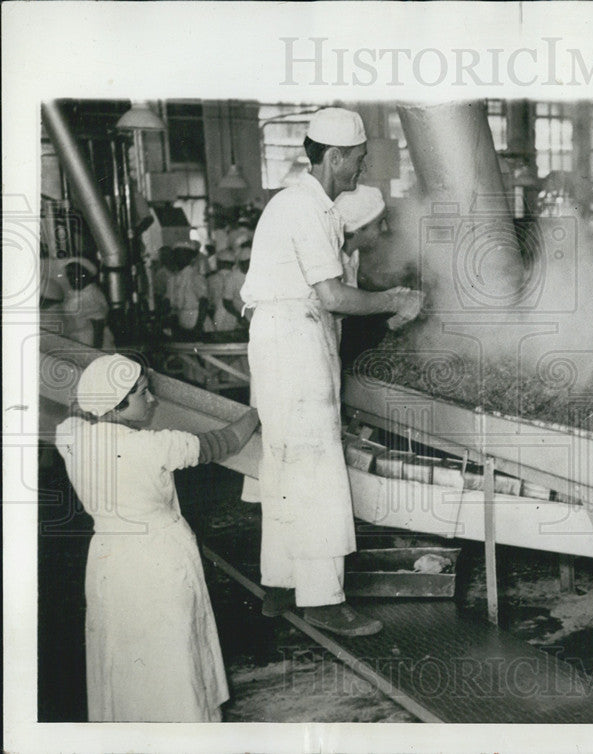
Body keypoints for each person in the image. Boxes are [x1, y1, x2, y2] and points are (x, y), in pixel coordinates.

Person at [240, 107, 422, 637]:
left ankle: (280, 584)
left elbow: (331, 301)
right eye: (358, 160)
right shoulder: (304, 209)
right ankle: (323, 599)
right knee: (316, 469)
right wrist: (395, 299)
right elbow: (334, 296)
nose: (360, 171)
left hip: (285, 338)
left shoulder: (306, 206)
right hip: (293, 342)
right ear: (335, 156)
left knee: (286, 465)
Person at [54, 354, 259, 721]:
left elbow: (79, 414)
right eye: (144, 394)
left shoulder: (70, 438)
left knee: (123, 649)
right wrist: (258, 412)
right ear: (119, 402)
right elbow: (225, 442)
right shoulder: (155, 446)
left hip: (108, 559)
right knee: (172, 653)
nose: (153, 401)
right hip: (159, 557)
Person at [56, 259, 115, 349]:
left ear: (86, 275)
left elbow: (98, 326)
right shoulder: (73, 294)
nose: (72, 278)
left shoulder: (92, 295)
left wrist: (95, 353)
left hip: (91, 344)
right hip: (78, 343)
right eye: (69, 275)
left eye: (76, 274)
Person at [166, 240, 212, 336]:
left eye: (183, 254)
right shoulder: (173, 278)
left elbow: (203, 302)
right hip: (182, 322)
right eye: (177, 254)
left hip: (197, 322)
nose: (179, 257)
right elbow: (169, 302)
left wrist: (199, 325)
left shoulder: (196, 277)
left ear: (190, 257)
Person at [208, 247, 238, 332]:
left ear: (219, 263)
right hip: (236, 314)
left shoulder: (211, 279)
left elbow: (209, 301)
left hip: (217, 315)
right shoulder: (237, 277)